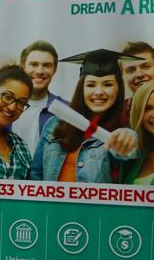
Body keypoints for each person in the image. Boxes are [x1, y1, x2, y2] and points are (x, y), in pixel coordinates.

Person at [30, 49, 139, 183]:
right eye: (91, 85)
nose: (98, 92)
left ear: (119, 89)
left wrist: (127, 140)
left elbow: (130, 150)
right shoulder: (54, 125)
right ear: (82, 88)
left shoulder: (121, 132)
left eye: (108, 84)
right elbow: (35, 175)